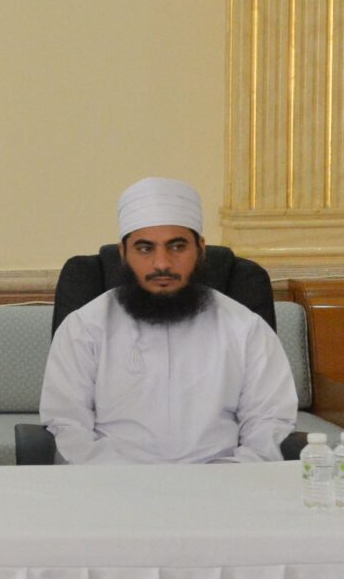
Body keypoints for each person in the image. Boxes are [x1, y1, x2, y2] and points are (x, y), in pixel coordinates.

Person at [39, 177, 298, 463]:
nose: (162, 263)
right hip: (111, 481)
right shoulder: (85, 327)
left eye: (177, 247)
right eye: (145, 248)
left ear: (200, 249)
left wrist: (228, 476)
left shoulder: (244, 328)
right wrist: (122, 481)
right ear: (123, 253)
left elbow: (268, 421)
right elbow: (68, 424)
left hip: (223, 480)